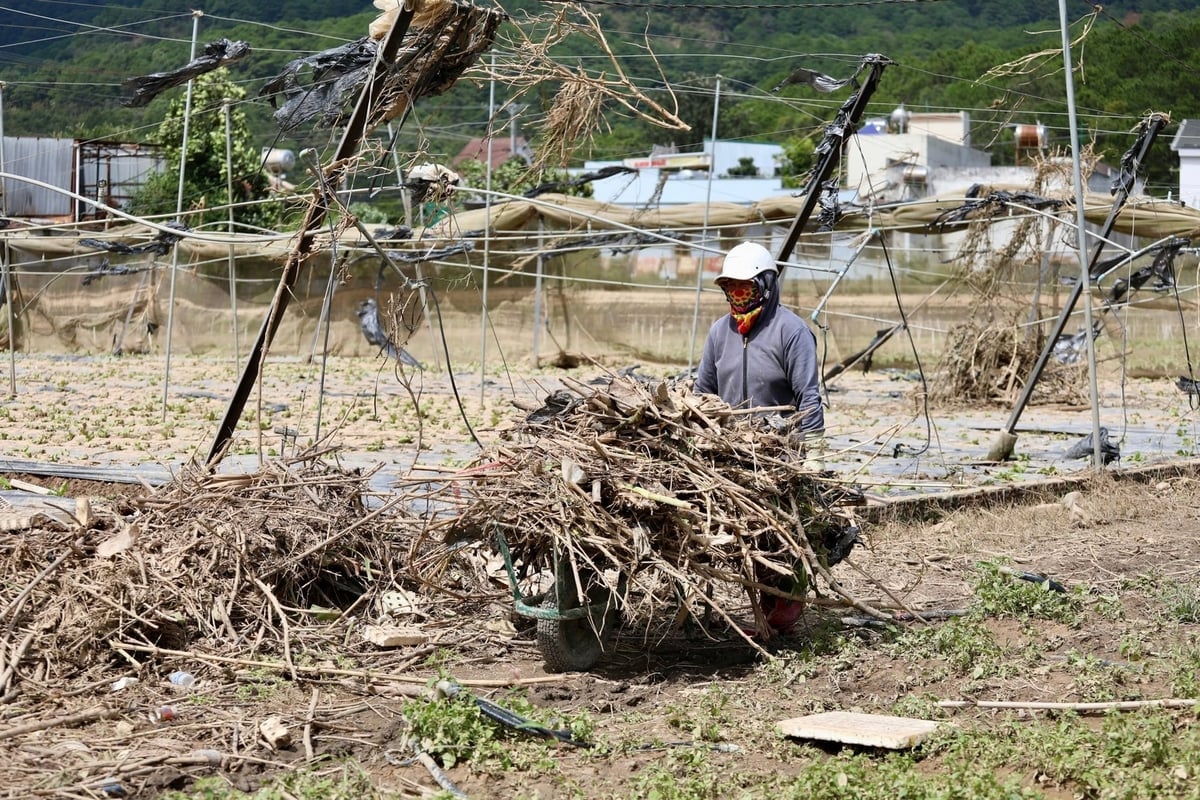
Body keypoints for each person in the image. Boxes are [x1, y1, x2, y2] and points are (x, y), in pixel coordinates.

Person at [694, 240, 825, 634]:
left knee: (776, 534)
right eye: (729, 289)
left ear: (766, 286)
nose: (737, 297)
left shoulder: (792, 332)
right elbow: (703, 393)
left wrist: (813, 453)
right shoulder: (720, 332)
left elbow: (808, 395)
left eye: (744, 289)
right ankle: (759, 596)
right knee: (737, 535)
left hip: (777, 453)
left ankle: (785, 598)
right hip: (730, 449)